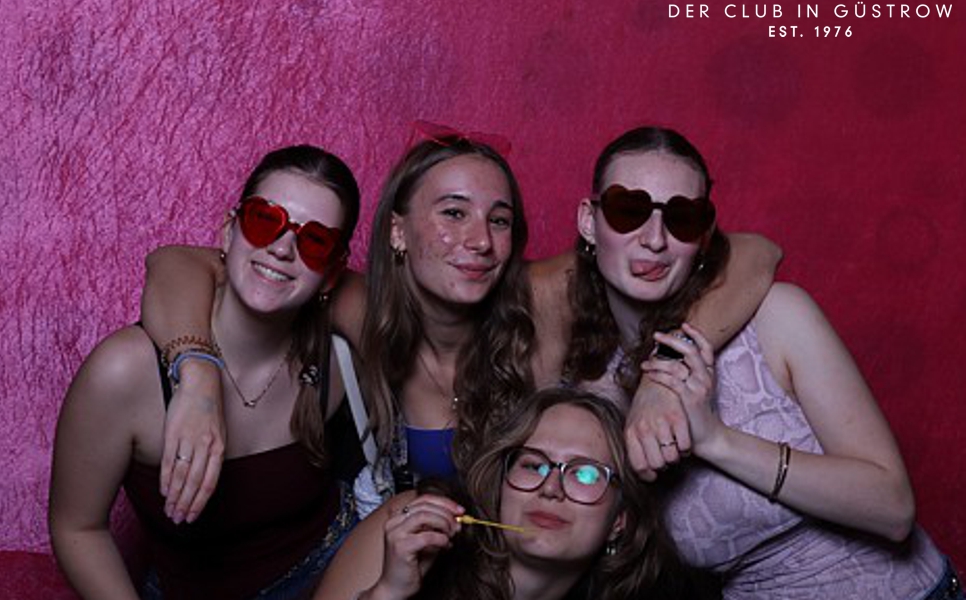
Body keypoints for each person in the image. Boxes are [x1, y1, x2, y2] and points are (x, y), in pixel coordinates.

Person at [139, 123, 782, 521]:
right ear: (398, 230)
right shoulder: (361, 305)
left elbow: (753, 252)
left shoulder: (538, 297)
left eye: (499, 220)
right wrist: (198, 376)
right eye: (452, 213)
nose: (478, 240)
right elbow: (178, 262)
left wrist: (663, 379)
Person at [565, 126, 961, 599]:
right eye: (629, 211)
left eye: (683, 218)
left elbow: (893, 509)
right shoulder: (594, 394)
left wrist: (716, 440)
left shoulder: (776, 318)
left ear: (704, 235)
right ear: (589, 222)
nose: (655, 239)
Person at [49, 145, 369, 600]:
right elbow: (77, 527)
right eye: (264, 220)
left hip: (335, 572)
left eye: (315, 242)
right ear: (228, 231)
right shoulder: (124, 372)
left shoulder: (335, 357)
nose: (282, 248)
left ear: (333, 273)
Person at [331, 388, 686, 600]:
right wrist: (388, 592)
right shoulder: (412, 527)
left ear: (619, 522)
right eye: (533, 465)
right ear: (500, 486)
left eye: (585, 474)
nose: (551, 488)